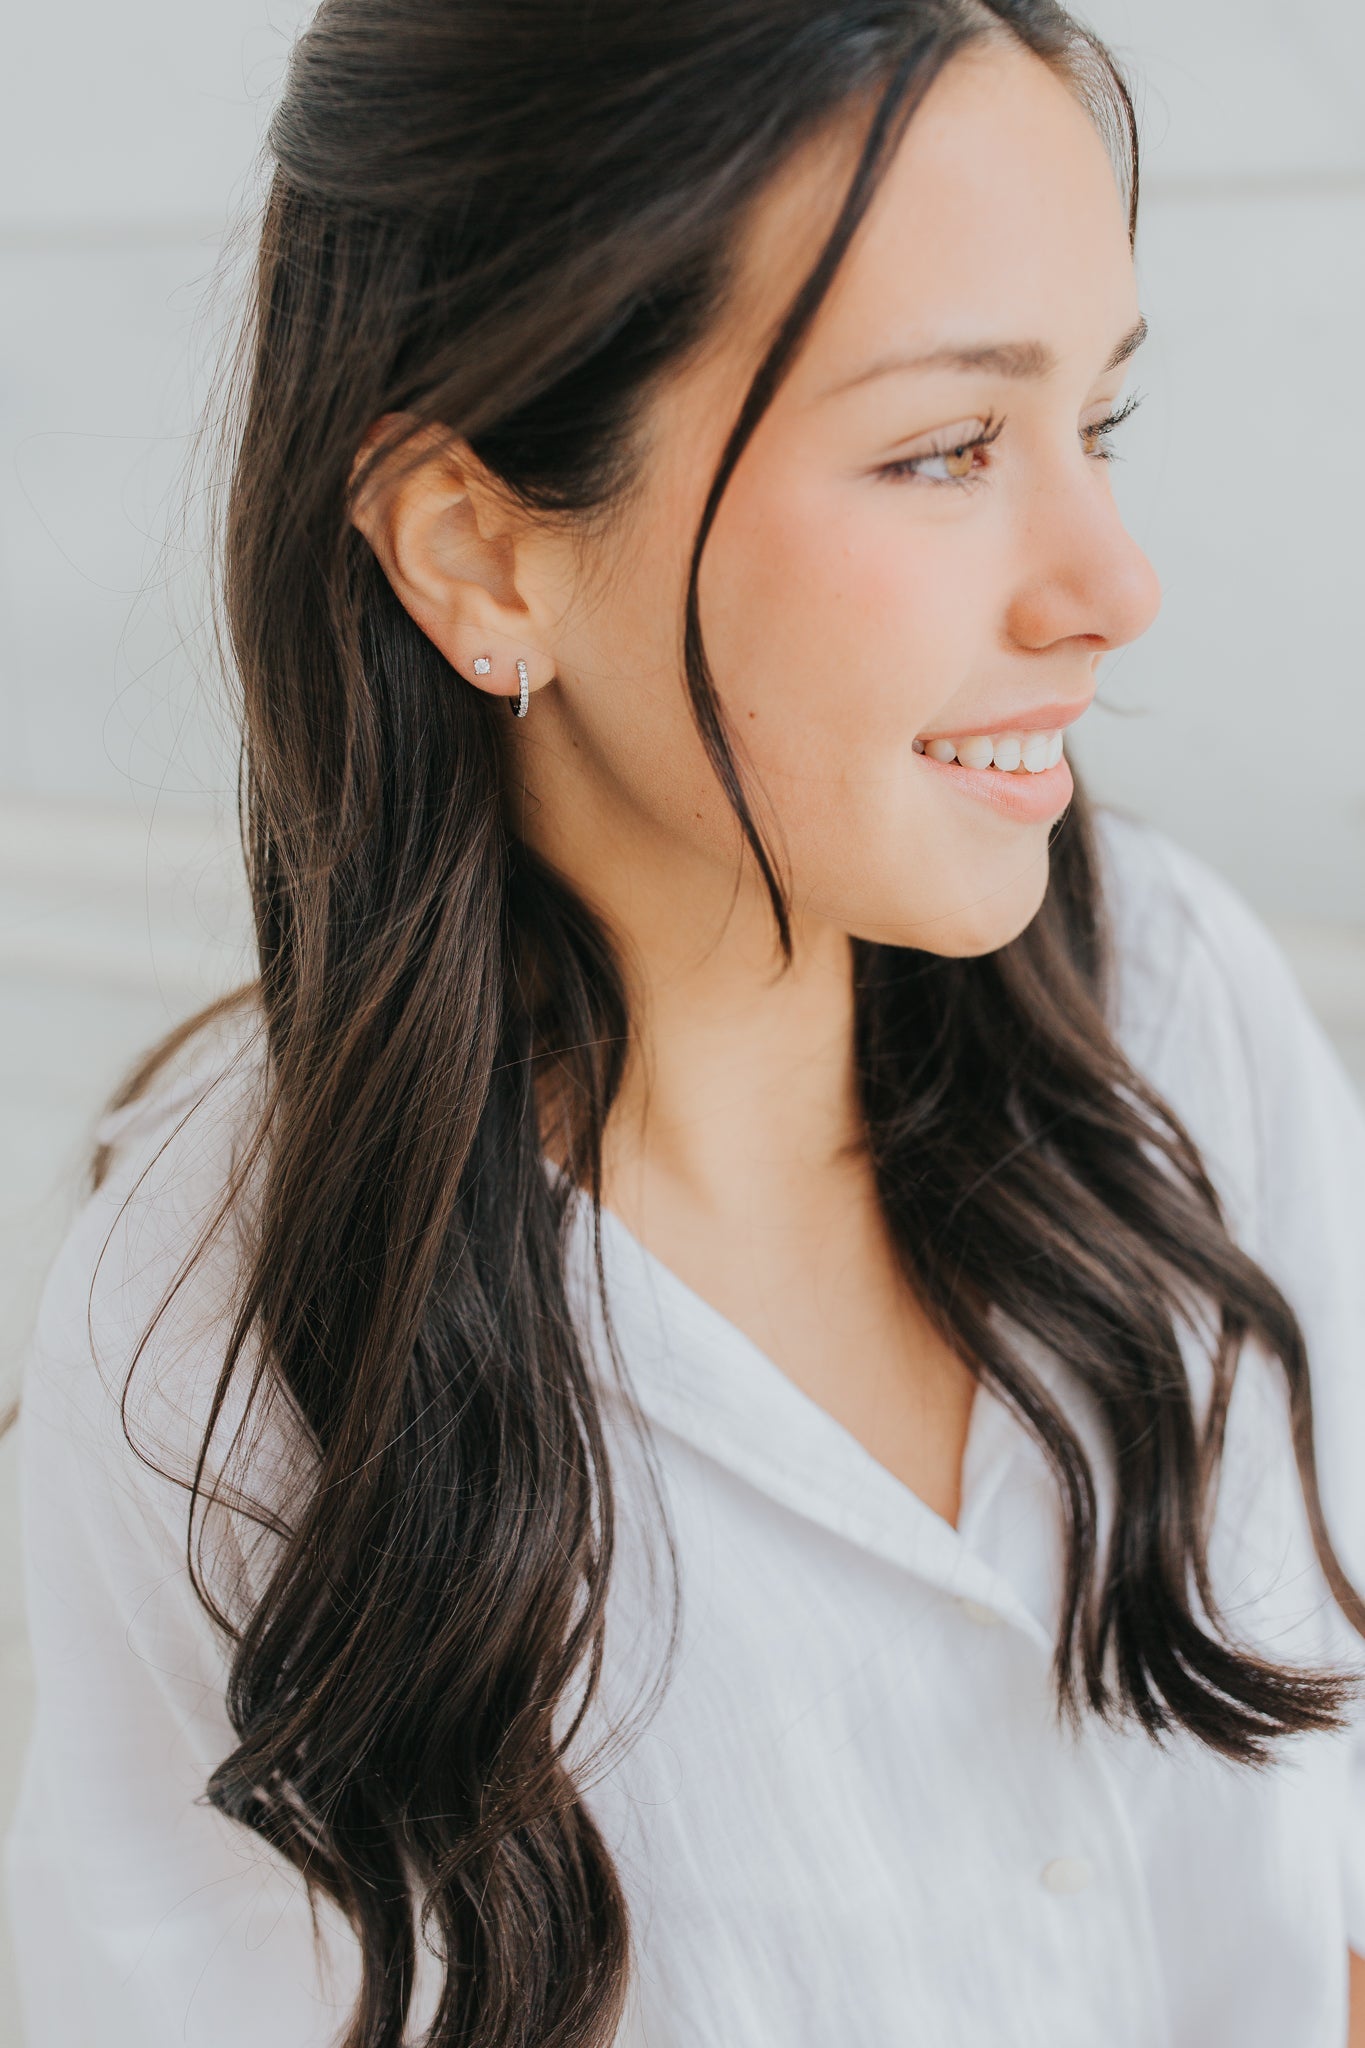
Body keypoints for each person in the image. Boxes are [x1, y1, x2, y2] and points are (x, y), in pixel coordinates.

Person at [8, 0, 1365, 2042]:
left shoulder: (1172, 1011)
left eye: (1097, 424)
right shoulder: (207, 1333)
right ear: (479, 550)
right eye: (942, 448)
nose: (1110, 580)